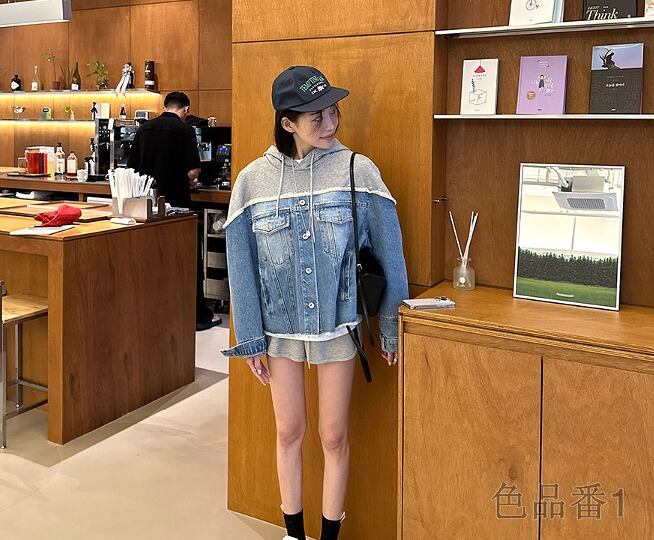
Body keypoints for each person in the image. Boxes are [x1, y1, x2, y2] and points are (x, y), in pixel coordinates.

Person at [221, 66, 408, 540]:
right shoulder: (252, 181)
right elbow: (240, 265)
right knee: (288, 431)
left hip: (338, 324)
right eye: (316, 117)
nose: (330, 124)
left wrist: (390, 328)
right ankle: (293, 533)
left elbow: (391, 252)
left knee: (333, 435)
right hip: (279, 327)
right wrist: (250, 337)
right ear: (287, 123)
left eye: (333, 112)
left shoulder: (357, 170)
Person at [128, 91, 218, 330]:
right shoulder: (185, 130)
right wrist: (193, 179)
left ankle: (157, 311)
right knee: (185, 258)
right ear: (186, 110)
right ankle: (196, 315)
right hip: (177, 205)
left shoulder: (144, 129)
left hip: (146, 206)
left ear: (164, 106)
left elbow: (131, 168)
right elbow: (192, 172)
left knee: (153, 258)